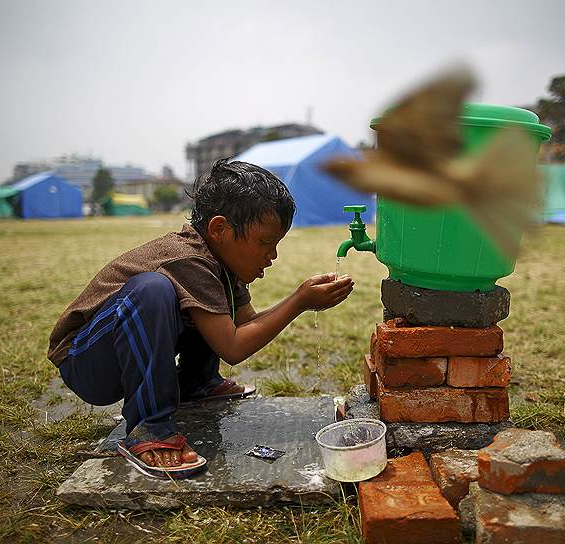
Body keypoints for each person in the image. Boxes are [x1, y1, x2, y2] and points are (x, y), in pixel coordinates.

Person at [47, 159, 354, 478]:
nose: (272, 255)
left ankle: (196, 383)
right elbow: (233, 348)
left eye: (275, 244)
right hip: (86, 361)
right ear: (220, 229)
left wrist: (302, 299)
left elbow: (242, 326)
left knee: (205, 309)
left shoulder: (220, 263)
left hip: (117, 351)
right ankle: (149, 427)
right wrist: (299, 301)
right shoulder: (189, 258)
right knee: (153, 290)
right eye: (265, 242)